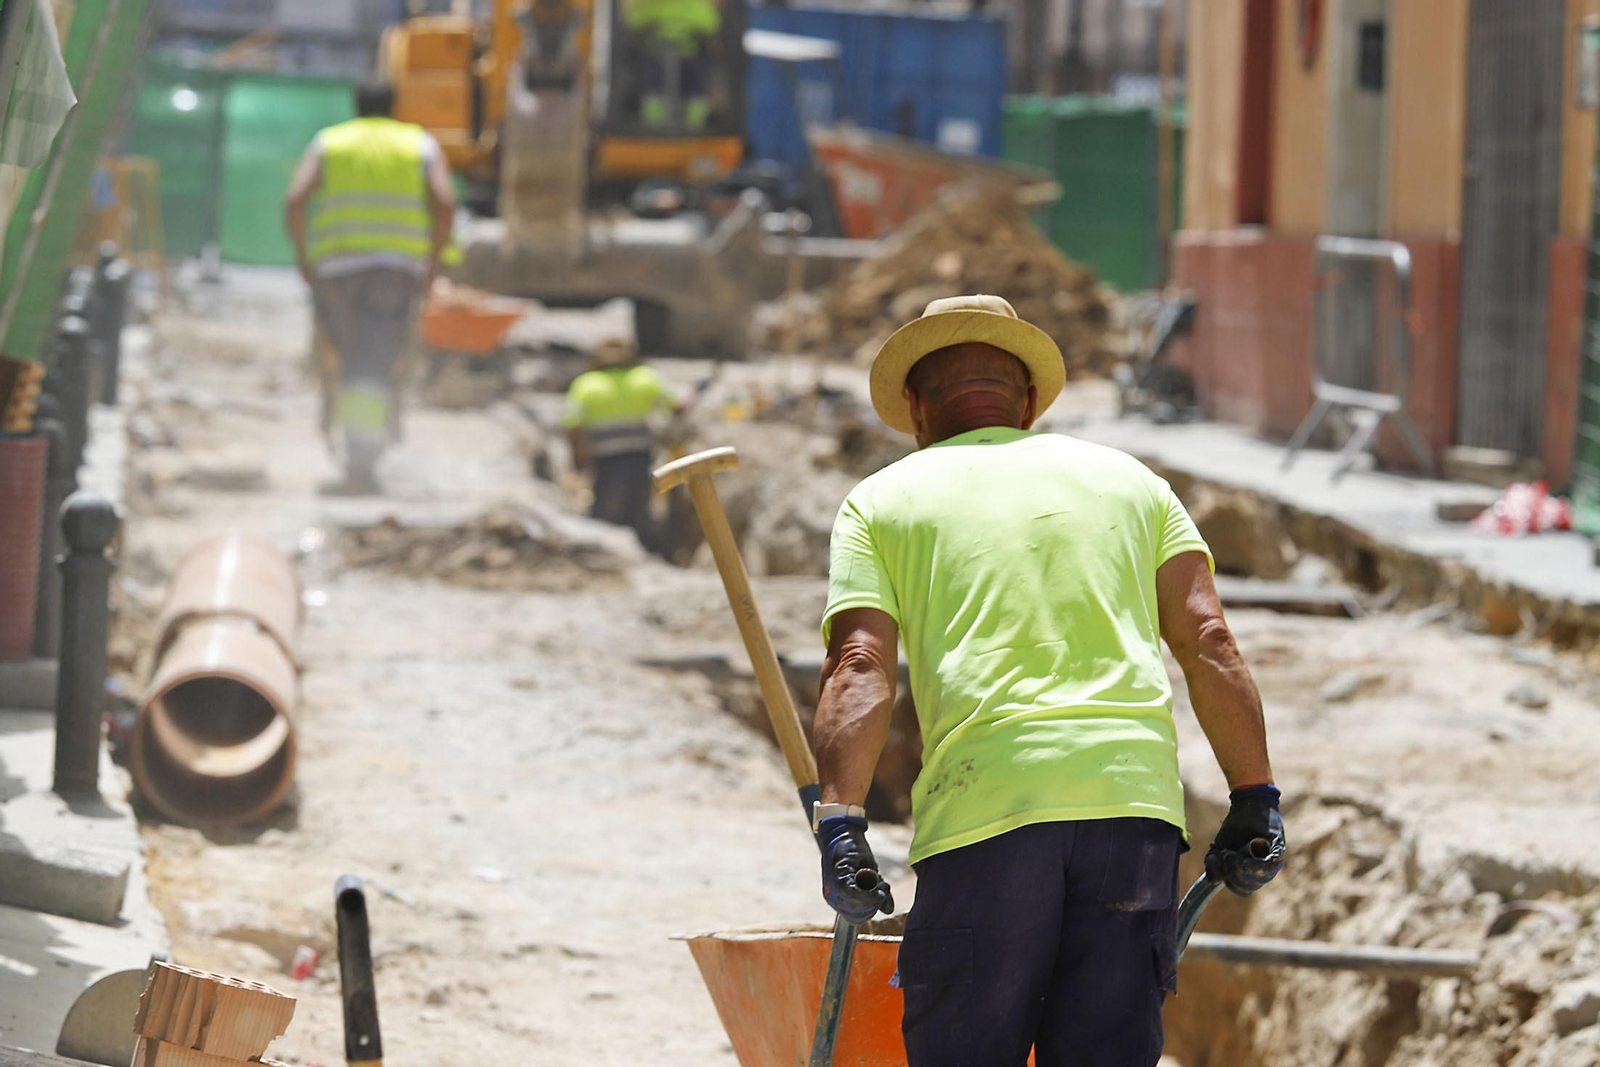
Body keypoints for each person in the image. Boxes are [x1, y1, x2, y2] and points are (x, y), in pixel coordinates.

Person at [810, 295, 1287, 1066]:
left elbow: (859, 664)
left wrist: (841, 823)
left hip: (985, 815)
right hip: (1130, 815)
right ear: (1028, 402)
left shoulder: (881, 501)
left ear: (917, 408)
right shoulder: (1134, 482)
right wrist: (1255, 796)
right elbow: (1208, 639)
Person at [283, 80, 455, 488]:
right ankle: (361, 459)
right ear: (395, 105)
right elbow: (445, 202)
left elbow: (296, 199)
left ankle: (353, 441)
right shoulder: (419, 145)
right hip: (396, 271)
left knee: (347, 355)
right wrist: (432, 263)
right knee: (371, 360)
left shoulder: (330, 143)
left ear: (355, 104)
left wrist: (305, 258)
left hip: (336, 269)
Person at [563, 337, 681, 542]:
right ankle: (642, 547)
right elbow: (676, 408)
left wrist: (578, 459)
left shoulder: (586, 384)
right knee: (639, 511)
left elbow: (573, 425)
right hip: (640, 458)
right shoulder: (645, 378)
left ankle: (607, 547)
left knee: (605, 512)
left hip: (607, 461)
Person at [624, 0, 721, 128]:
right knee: (649, 78)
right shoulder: (652, 5)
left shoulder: (698, 6)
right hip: (659, 57)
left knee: (696, 80)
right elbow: (632, 29)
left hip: (685, 58)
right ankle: (657, 123)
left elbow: (713, 37)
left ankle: (690, 124)